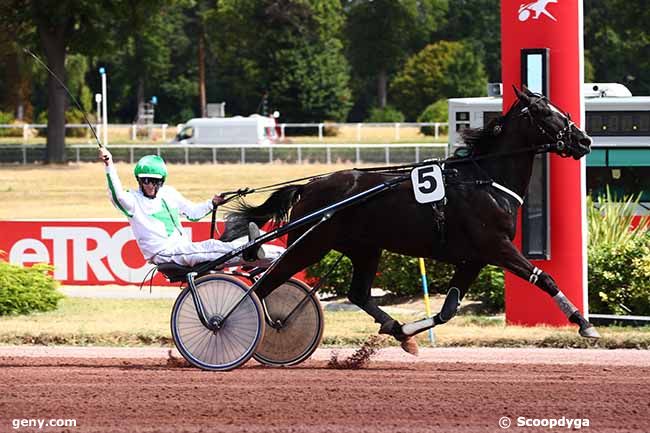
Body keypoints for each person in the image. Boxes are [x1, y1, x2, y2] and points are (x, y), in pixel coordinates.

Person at [99, 147, 283, 268]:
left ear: (162, 181)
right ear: (139, 179)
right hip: (165, 254)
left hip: (182, 248)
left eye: (155, 182)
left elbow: (193, 214)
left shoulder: (169, 193)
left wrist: (212, 203)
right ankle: (251, 250)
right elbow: (116, 194)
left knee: (227, 246)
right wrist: (109, 164)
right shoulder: (132, 201)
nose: (149, 185)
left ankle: (280, 255)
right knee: (213, 247)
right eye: (145, 180)